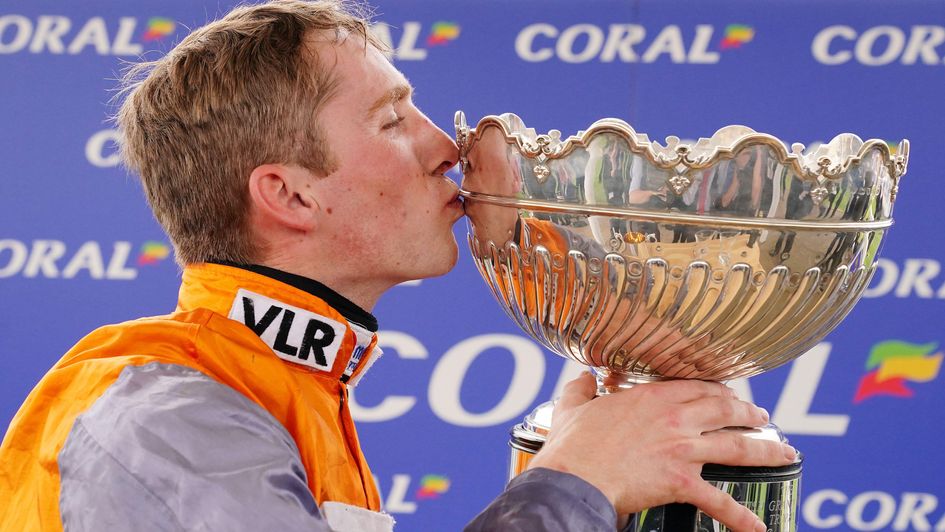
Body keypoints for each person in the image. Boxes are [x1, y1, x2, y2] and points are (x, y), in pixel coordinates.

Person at [0, 2, 795, 531]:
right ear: (291, 195)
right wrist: (574, 483)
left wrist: (584, 471)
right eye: (390, 120)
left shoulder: (280, 387)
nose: (445, 147)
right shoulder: (165, 418)